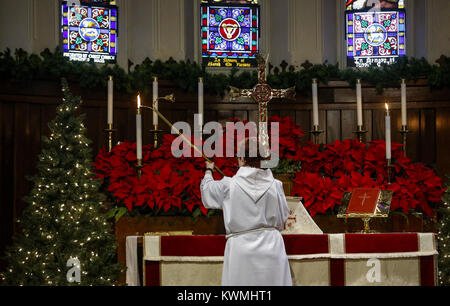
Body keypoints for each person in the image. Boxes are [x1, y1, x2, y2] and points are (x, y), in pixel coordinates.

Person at [200, 138, 292, 286]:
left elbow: (207, 190)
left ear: (242, 158)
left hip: (241, 248)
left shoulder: (229, 185)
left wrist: (209, 170)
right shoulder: (276, 185)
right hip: (272, 247)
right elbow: (283, 218)